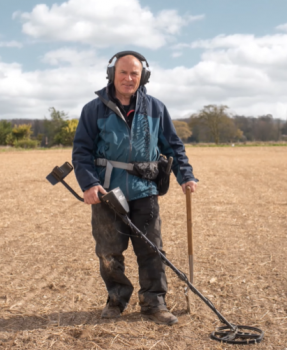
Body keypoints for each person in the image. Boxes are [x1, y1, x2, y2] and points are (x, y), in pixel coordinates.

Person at [72, 51, 197, 326]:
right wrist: (90, 184)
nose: (129, 79)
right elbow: (81, 151)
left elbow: (173, 147)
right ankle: (116, 300)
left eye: (135, 74)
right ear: (111, 75)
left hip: (145, 190)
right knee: (108, 251)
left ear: (143, 77)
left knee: (152, 249)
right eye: (123, 73)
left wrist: (185, 175)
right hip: (106, 193)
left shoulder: (156, 108)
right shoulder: (93, 110)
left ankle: (154, 303)